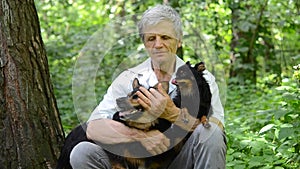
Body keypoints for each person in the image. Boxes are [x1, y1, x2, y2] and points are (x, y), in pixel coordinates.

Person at [70, 4, 226, 169]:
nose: (158, 44)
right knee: (83, 151)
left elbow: (215, 126)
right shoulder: (127, 78)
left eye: (165, 37)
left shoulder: (200, 79)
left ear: (179, 40)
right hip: (136, 163)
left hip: (181, 162)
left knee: (211, 133)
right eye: (151, 39)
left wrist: (172, 114)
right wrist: (140, 136)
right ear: (144, 43)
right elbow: (94, 128)